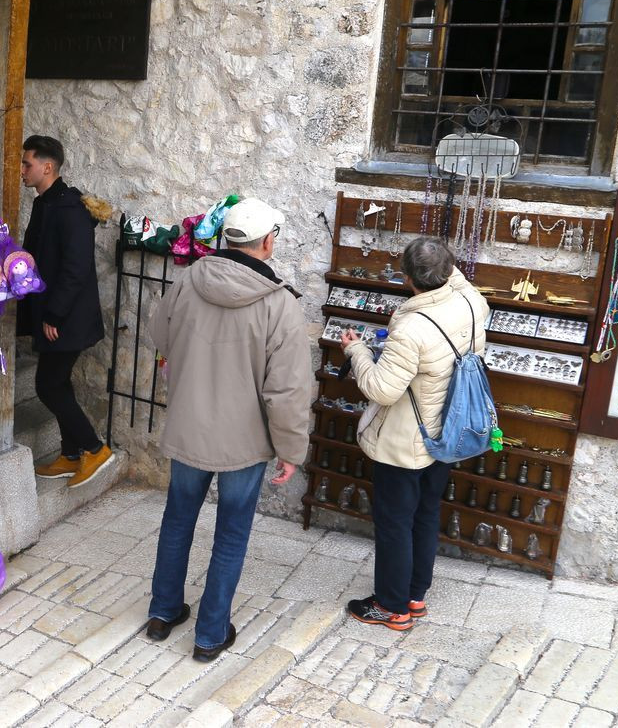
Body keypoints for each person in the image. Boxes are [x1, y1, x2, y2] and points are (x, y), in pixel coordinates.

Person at [145, 197, 310, 662]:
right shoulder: (279, 304)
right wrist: (291, 448)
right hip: (244, 440)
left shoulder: (188, 280)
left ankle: (162, 613)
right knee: (231, 534)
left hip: (190, 427)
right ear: (268, 242)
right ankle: (210, 634)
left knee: (177, 520)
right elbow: (288, 390)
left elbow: (160, 336)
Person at [340, 237, 488, 631]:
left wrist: (356, 352)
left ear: (407, 278)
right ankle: (415, 595)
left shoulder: (412, 327)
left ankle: (392, 606)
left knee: (395, 522)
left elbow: (382, 390)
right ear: (449, 269)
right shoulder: (472, 301)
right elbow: (454, 276)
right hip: (446, 430)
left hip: (406, 440)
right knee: (425, 513)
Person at [17, 135, 110, 488]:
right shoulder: (46, 203)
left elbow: (76, 268)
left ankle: (94, 449)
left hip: (67, 318)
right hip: (54, 313)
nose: (22, 170)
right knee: (58, 383)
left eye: (27, 164)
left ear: (47, 167)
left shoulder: (69, 208)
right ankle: (71, 455)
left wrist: (54, 315)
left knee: (48, 385)